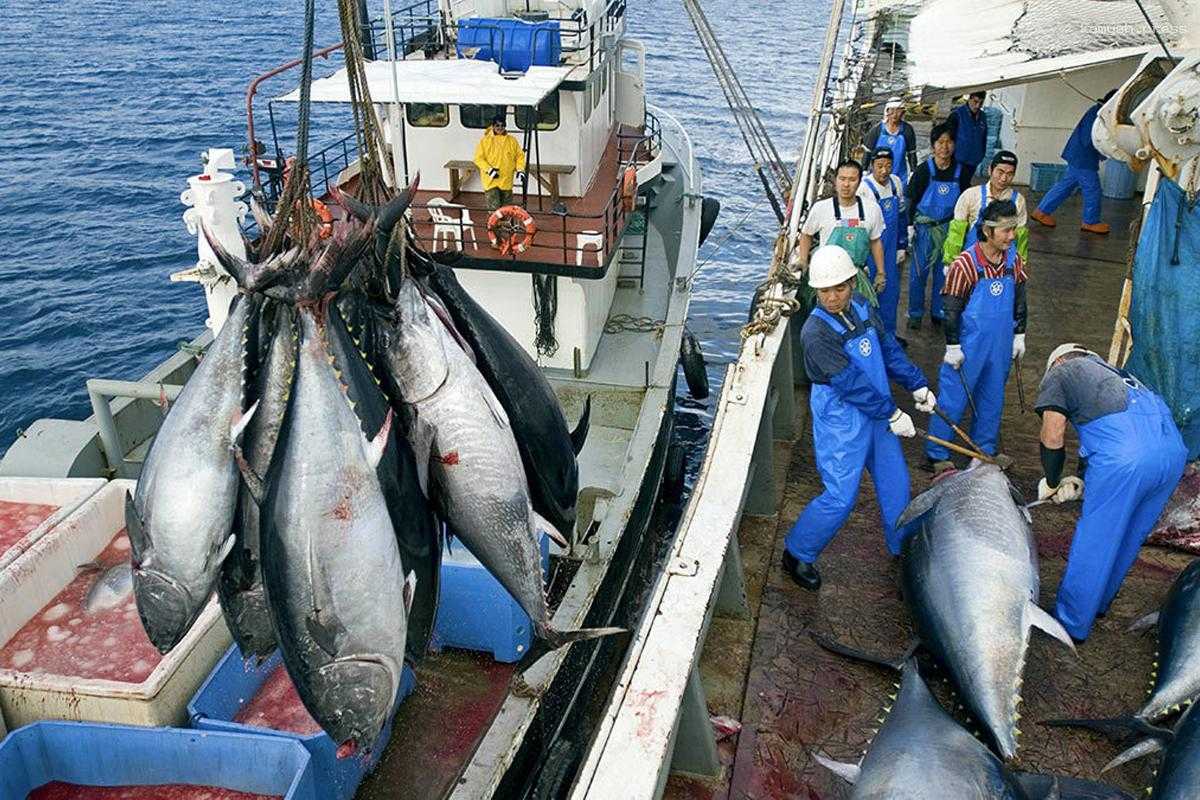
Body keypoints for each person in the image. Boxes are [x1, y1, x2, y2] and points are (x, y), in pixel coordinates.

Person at [782, 246, 936, 590]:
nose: (833, 297)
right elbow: (849, 383)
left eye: (840, 288)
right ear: (815, 291)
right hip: (842, 422)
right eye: (825, 291)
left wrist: (917, 384)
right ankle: (797, 552)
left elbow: (887, 348)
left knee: (896, 482)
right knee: (841, 496)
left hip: (878, 414)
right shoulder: (815, 333)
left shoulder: (864, 307)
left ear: (853, 283)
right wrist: (892, 412)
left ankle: (902, 547)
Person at [1036, 343, 1187, 641]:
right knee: (1129, 534)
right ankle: (1099, 604)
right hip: (1172, 454)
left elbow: (1053, 434)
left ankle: (1070, 624)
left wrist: (1052, 480)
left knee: (1098, 538)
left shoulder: (1062, 372)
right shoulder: (1121, 375)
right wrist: (1081, 481)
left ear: (1059, 361)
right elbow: (1107, 427)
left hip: (1126, 457)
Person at [925, 200, 1027, 472]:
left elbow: (1020, 298)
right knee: (954, 397)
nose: (1011, 236)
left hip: (1000, 345)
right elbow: (951, 309)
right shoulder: (965, 264)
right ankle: (937, 452)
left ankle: (983, 451)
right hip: (968, 346)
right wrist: (953, 345)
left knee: (992, 397)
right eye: (1005, 231)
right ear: (987, 231)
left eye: (1013, 230)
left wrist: (1020, 334)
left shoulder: (1013, 260)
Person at [906, 123, 973, 330]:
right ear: (933, 145)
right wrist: (908, 227)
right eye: (940, 142)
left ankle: (939, 312)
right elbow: (910, 200)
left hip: (949, 229)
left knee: (945, 273)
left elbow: (967, 202)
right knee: (918, 273)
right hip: (924, 230)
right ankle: (915, 313)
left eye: (949, 142)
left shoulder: (961, 172)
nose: (945, 147)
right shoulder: (923, 171)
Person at [796, 159, 887, 297]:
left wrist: (881, 273)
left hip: (855, 276)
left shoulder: (872, 209)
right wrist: (803, 260)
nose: (846, 184)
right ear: (835, 181)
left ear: (859, 182)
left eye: (852, 179)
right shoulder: (821, 208)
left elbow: (875, 241)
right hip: (827, 276)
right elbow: (806, 234)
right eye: (842, 179)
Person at [1029, 91, 1116, 235]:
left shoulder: (1097, 112)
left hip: (1079, 155)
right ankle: (1090, 221)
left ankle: (1041, 211)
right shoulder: (1098, 115)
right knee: (1092, 189)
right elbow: (1093, 139)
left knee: (1066, 185)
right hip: (1083, 158)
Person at [943, 150, 1029, 266]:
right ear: (990, 170)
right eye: (1000, 172)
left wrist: (1021, 264)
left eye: (1009, 174)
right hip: (972, 263)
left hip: (1003, 265)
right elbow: (956, 232)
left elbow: (1020, 237)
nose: (1004, 178)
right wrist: (951, 262)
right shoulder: (971, 195)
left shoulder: (1018, 201)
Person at [858, 146, 908, 335]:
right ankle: (870, 335)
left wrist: (902, 244)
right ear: (872, 166)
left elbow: (902, 215)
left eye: (888, 166)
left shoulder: (896, 183)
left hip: (891, 248)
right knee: (869, 295)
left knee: (890, 294)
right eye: (879, 166)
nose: (884, 171)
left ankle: (890, 336)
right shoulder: (864, 188)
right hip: (871, 249)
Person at [474, 113, 527, 212]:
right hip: (491, 181)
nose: (500, 127)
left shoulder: (512, 141)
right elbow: (478, 159)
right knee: (494, 210)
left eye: (502, 125)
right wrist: (489, 170)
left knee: (506, 209)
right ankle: (494, 227)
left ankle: (505, 227)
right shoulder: (484, 141)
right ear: (493, 126)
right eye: (497, 125)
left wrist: (520, 169)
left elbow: (519, 156)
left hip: (506, 181)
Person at [863, 97, 918, 185]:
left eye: (898, 111)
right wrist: (864, 171)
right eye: (892, 110)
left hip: (899, 176)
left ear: (903, 113)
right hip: (878, 176)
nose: (895, 114)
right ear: (887, 111)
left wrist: (912, 172)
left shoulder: (907, 130)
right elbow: (868, 152)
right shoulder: (877, 130)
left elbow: (912, 153)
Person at [947, 90, 988, 179]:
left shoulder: (983, 116)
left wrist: (981, 154)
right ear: (969, 99)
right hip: (957, 160)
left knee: (965, 185)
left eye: (981, 103)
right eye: (975, 102)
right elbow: (949, 138)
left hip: (973, 161)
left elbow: (983, 137)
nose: (978, 106)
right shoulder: (957, 115)